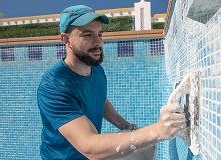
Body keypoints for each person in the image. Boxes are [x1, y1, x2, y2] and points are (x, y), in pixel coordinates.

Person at [37, 5, 186, 160]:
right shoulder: (54, 86)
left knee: (145, 149)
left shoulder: (97, 71)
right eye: (87, 35)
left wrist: (124, 125)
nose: (97, 42)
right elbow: (90, 148)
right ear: (66, 40)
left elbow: (100, 100)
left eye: (99, 35)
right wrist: (158, 131)